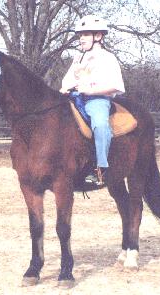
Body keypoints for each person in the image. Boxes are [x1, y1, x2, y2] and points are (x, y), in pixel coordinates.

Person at [60, 15, 125, 186]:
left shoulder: (108, 58)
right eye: (80, 35)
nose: (81, 38)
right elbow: (67, 80)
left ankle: (100, 168)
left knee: (100, 125)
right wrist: (64, 89)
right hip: (75, 98)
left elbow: (116, 86)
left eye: (85, 34)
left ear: (98, 36)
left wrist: (90, 90)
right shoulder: (78, 58)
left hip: (97, 100)